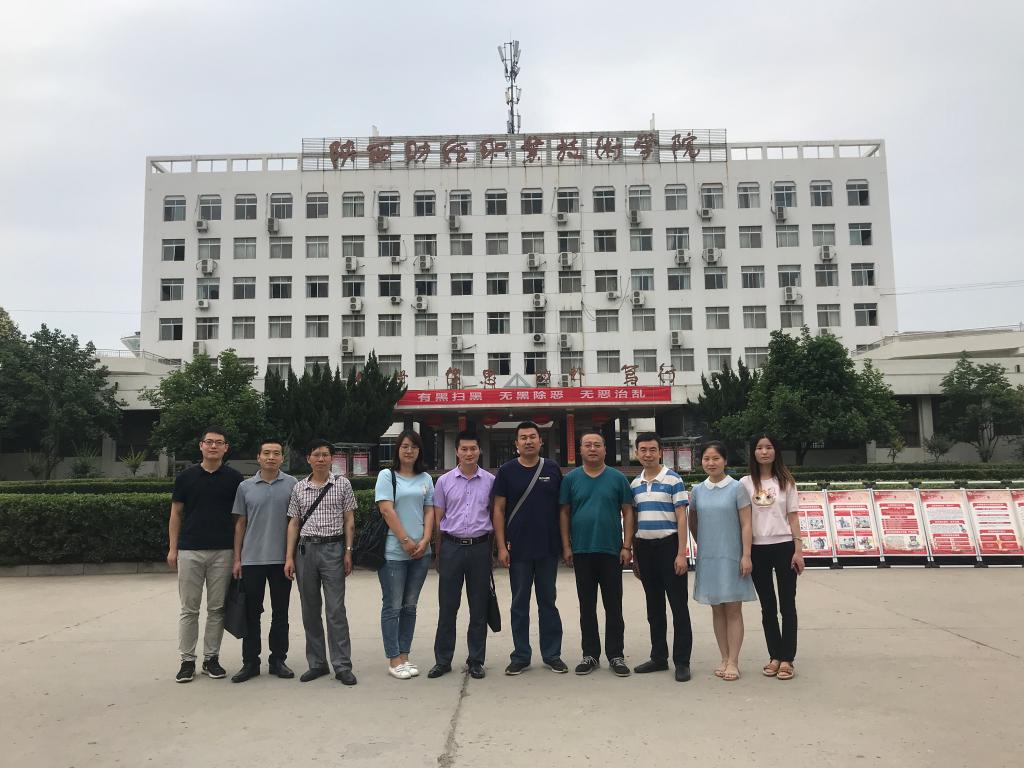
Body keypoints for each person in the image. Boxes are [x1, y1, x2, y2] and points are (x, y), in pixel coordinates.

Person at [167, 426, 244, 683]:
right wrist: (173, 548)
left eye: (218, 442)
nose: (213, 446)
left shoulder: (234, 479)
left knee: (217, 608)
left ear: (225, 448)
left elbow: (239, 519)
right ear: (201, 446)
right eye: (209, 442)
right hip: (190, 550)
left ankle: (211, 658)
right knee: (189, 609)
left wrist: (237, 556)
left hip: (223, 551)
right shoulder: (186, 477)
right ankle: (187, 660)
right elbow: (176, 514)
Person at [493, 421, 567, 675]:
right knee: (519, 603)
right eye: (523, 438)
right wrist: (501, 547)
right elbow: (498, 510)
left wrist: (565, 545)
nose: (528, 441)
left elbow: (562, 509)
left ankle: (552, 654)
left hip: (547, 548)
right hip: (518, 549)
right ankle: (521, 656)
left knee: (548, 602)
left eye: (532, 437)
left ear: (540, 441)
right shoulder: (507, 471)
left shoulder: (552, 468)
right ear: (516, 444)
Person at [559, 431, 635, 677]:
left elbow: (628, 511)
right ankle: (590, 654)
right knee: (587, 606)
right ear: (580, 450)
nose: (592, 449)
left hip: (611, 551)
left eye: (597, 445)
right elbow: (564, 513)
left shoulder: (617, 478)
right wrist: (566, 546)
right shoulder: (571, 479)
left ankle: (616, 655)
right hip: (582, 551)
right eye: (587, 445)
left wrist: (626, 546)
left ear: (605, 449)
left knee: (614, 606)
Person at [284, 439, 358, 686]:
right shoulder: (299, 488)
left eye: (325, 455)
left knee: (336, 610)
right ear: (309, 459)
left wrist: (348, 551)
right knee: (310, 609)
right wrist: (289, 557)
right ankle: (317, 663)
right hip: (305, 551)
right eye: (316, 455)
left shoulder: (342, 484)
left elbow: (349, 520)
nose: (321, 459)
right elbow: (294, 523)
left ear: (331, 459)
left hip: (333, 549)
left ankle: (342, 665)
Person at [228, 439, 297, 683]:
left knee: (281, 613)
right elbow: (240, 524)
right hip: (251, 560)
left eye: (276, 453)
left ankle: (278, 659)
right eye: (266, 453)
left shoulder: (292, 484)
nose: (271, 457)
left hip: (282, 561)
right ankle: (250, 662)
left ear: (282, 458)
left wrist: (291, 557)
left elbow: (294, 522)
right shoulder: (245, 487)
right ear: (258, 457)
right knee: (251, 613)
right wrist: (237, 558)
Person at [428, 431, 495, 680]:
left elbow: (494, 515)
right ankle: (442, 660)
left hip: (479, 547)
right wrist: (438, 553)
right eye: (464, 449)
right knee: (448, 607)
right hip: (451, 548)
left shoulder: (490, 481)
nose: (469, 453)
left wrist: (492, 551)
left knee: (479, 608)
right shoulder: (444, 482)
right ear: (457, 451)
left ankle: (476, 660)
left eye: (473, 449)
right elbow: (438, 519)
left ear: (479, 451)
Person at [688, 441, 757, 682]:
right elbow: (693, 521)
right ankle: (724, 657)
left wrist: (746, 555)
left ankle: (734, 662)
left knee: (733, 609)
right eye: (706, 458)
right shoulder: (698, 490)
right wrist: (703, 543)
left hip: (733, 556)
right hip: (709, 557)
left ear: (725, 461)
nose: (711, 463)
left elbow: (747, 524)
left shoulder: (737, 488)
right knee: (717, 608)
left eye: (716, 458)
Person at [629, 432, 693, 682]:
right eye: (643, 450)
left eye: (652, 449)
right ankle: (658, 657)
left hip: (669, 548)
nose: (648, 454)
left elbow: (681, 517)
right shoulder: (635, 484)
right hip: (645, 549)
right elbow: (634, 519)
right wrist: (634, 554)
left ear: (660, 452)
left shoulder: (673, 479)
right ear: (636, 453)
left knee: (678, 607)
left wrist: (681, 553)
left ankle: (682, 662)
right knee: (654, 607)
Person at [740, 434, 803, 681]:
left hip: (784, 546)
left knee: (787, 604)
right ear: (753, 452)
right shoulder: (745, 483)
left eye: (769, 447)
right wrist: (745, 554)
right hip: (758, 549)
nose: (764, 452)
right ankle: (774, 656)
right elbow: (744, 520)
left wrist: (798, 551)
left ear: (776, 451)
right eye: (759, 447)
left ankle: (787, 658)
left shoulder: (786, 481)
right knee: (768, 606)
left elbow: (793, 517)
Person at [374, 430, 435, 680]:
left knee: (410, 606)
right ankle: (394, 659)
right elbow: (386, 511)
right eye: (405, 446)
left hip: (421, 552)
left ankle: (405, 656)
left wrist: (426, 539)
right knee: (393, 606)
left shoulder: (426, 478)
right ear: (397, 449)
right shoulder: (387, 476)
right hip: (393, 553)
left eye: (414, 447)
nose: (409, 451)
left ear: (420, 451)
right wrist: (406, 541)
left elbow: (429, 510)